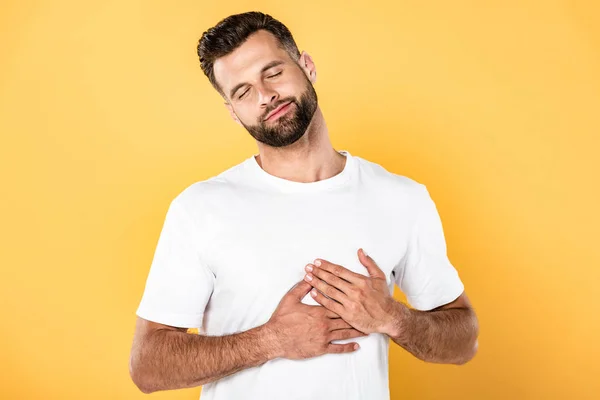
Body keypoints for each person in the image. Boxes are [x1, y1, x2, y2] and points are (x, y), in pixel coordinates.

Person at [129, 11, 479, 399]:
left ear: (306, 66)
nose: (265, 96)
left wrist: (393, 318)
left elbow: (463, 341)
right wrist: (269, 340)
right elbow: (148, 364)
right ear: (232, 111)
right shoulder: (200, 208)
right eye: (243, 92)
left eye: (273, 72)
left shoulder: (401, 197)